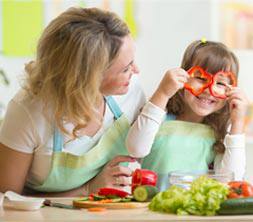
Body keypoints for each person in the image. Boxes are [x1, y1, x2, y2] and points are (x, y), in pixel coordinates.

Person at [0, 7, 146, 196]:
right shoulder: (28, 111)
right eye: (125, 68)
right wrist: (88, 190)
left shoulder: (130, 89)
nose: (136, 71)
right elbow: (7, 201)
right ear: (89, 78)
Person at [126, 40, 248, 182]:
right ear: (183, 77)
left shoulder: (219, 131)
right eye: (201, 78)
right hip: (151, 203)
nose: (210, 89)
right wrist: (162, 93)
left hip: (197, 204)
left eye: (220, 83)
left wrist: (237, 123)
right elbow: (136, 149)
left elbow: (231, 181)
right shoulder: (160, 116)